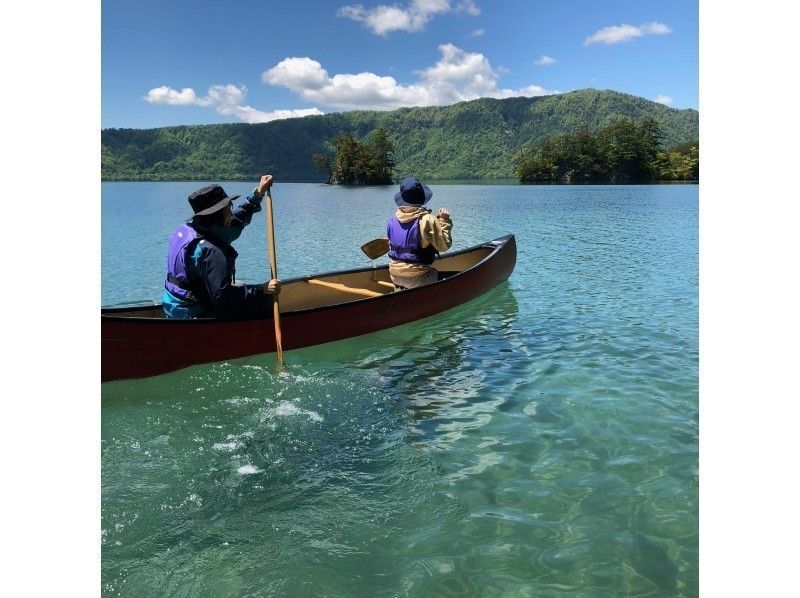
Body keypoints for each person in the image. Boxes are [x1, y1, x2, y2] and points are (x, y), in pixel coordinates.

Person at [162, 175, 281, 319]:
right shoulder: (212, 251)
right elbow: (224, 299)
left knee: (240, 284)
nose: (231, 212)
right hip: (194, 313)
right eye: (228, 208)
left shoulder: (189, 230)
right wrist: (262, 289)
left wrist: (258, 194)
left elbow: (236, 221)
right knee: (264, 299)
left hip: (172, 305)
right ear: (218, 214)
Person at [386, 176, 453, 289]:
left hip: (394, 276)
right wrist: (444, 220)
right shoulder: (428, 219)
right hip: (419, 278)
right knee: (437, 273)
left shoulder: (392, 220)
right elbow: (444, 246)